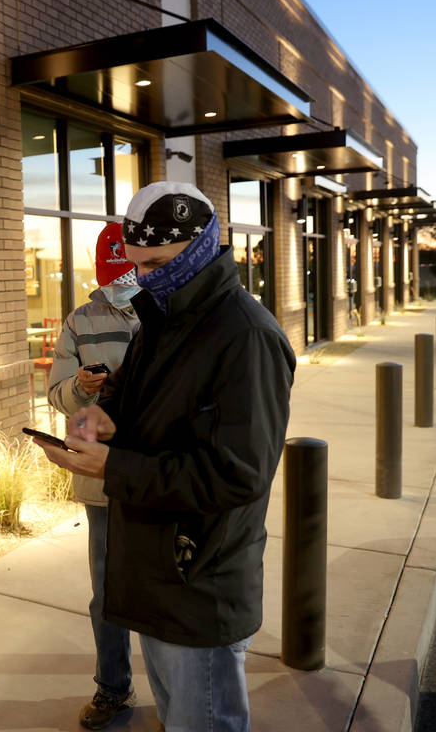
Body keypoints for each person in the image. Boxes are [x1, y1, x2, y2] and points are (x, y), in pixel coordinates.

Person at [34, 182, 295, 732]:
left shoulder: (245, 336)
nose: (142, 277)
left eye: (155, 263)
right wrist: (104, 420)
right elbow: (134, 407)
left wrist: (113, 467)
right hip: (159, 569)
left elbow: (238, 475)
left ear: (200, 248)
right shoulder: (164, 320)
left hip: (197, 577)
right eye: (135, 265)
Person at [45, 222, 141, 730]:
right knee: (106, 592)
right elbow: (56, 394)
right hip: (101, 480)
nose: (119, 286)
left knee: (164, 588)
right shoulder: (81, 320)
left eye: (126, 274)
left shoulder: (169, 314)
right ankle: (113, 688)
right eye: (111, 277)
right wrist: (80, 387)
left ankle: (180, 693)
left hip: (158, 474)